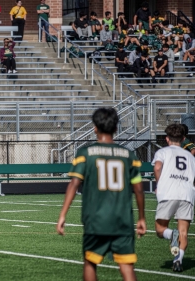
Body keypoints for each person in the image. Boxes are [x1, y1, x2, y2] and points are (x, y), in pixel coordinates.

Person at [57, 107, 146, 281]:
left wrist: (62, 215)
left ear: (95, 128)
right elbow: (139, 189)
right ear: (116, 128)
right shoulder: (129, 156)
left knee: (90, 262)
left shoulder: (85, 154)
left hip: (96, 219)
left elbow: (74, 183)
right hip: (122, 220)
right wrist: (142, 218)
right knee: (127, 267)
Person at [152, 124, 195, 272]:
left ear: (167, 138)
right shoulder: (190, 156)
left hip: (169, 192)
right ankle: (178, 260)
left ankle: (171, 234)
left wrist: (159, 183)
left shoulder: (163, 152)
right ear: (183, 139)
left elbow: (157, 168)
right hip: (187, 194)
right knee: (183, 232)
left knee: (160, 229)